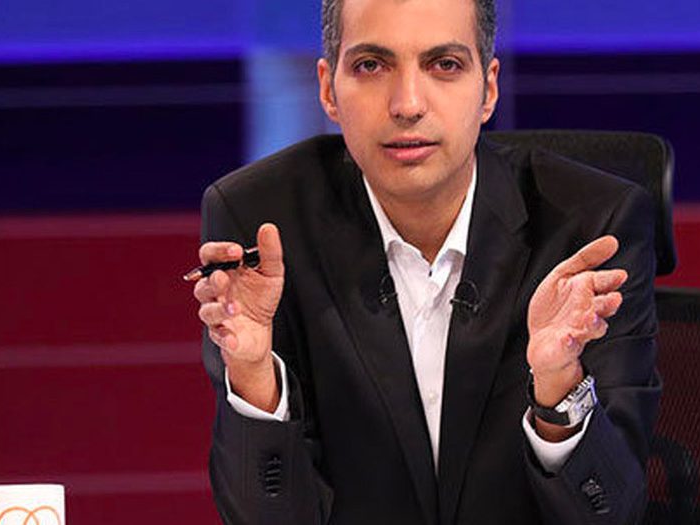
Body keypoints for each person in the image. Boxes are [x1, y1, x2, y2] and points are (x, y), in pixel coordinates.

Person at [191, 0, 660, 522]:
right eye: (372, 65)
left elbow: (612, 513)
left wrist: (557, 390)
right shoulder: (262, 223)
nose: (408, 104)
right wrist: (254, 376)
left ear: (489, 89)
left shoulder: (590, 228)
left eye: (445, 65)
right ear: (327, 90)